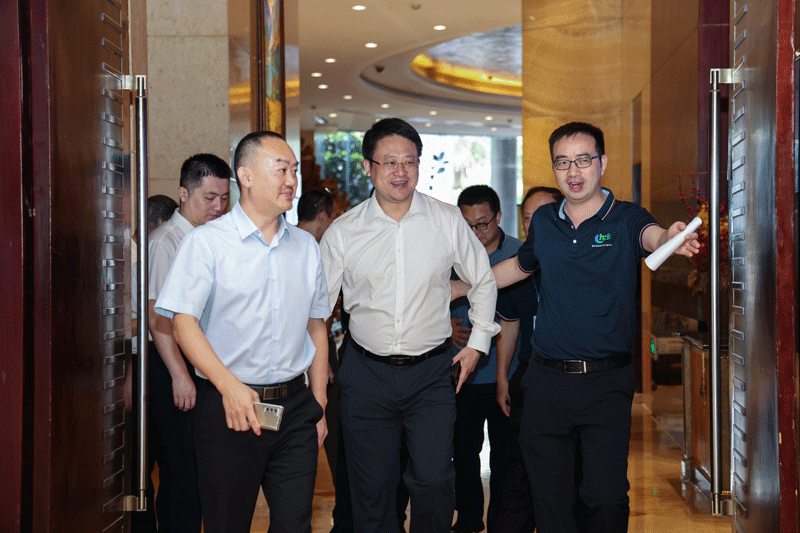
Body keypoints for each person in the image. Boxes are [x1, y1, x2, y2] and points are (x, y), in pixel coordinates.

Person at [478, 122, 699, 533]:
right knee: (550, 502)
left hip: (605, 383)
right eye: (563, 162)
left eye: (583, 160)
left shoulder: (627, 218)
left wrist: (669, 237)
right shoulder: (545, 220)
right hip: (546, 381)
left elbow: (652, 237)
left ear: (602, 163)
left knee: (605, 497)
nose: (573, 171)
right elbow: (520, 266)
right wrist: (463, 285)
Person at [320, 118, 500, 533]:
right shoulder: (344, 232)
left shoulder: (446, 219)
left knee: (434, 482)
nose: (400, 171)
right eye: (389, 162)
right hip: (365, 374)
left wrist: (477, 344)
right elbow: (318, 310)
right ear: (368, 167)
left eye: (409, 161)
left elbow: (482, 280)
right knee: (371, 491)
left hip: (431, 375)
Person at [155, 131, 330, 533]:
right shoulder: (206, 243)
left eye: (294, 170)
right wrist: (229, 386)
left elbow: (316, 324)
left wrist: (319, 402)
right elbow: (182, 322)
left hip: (295, 409)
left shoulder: (305, 246)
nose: (292, 180)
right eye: (281, 170)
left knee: (295, 525)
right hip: (228, 407)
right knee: (226, 523)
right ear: (246, 177)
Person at [146, 154, 231, 532]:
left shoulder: (212, 240)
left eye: (224, 198)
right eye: (209, 198)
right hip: (173, 365)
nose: (218, 207)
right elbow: (158, 318)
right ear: (183, 194)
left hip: (203, 365)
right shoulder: (166, 242)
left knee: (197, 469)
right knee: (183, 469)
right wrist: (180, 375)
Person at [450, 185, 520, 533]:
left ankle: (501, 523)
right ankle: (468, 520)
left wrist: (505, 376)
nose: (476, 232)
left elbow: (519, 315)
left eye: (482, 224)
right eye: (468, 225)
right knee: (463, 453)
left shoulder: (517, 255)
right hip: (462, 374)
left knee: (505, 455)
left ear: (498, 217)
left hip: (506, 373)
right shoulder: (451, 255)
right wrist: (445, 327)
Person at [493, 186, 562, 533]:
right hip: (528, 373)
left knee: (566, 470)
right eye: (527, 218)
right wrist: (503, 378)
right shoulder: (518, 265)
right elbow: (510, 324)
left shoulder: (577, 260)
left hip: (568, 377)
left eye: (542, 215)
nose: (533, 224)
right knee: (519, 465)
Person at [128, 194, 179, 533]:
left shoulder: (143, 254)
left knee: (159, 459)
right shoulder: (136, 258)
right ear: (159, 225)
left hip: (151, 361)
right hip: (140, 362)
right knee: (140, 463)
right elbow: (133, 321)